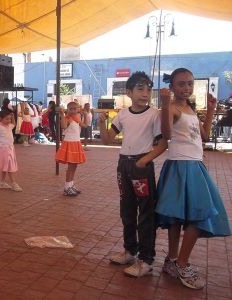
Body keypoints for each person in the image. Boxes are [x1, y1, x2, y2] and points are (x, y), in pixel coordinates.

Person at [154, 68, 231, 289]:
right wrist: (166, 104)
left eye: (189, 83)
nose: (186, 88)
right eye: (181, 84)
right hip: (181, 165)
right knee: (194, 215)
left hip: (195, 165)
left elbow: (205, 135)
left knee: (184, 216)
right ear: (171, 87)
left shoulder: (189, 107)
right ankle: (179, 261)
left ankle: (174, 260)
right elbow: (166, 135)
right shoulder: (171, 107)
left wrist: (212, 109)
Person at [99, 71, 163, 277]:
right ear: (129, 92)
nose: (146, 93)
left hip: (141, 165)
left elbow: (163, 143)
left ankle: (146, 259)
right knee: (126, 210)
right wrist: (102, 123)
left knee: (145, 213)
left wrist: (145, 160)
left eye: (149, 89)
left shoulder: (155, 114)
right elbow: (108, 140)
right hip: (123, 165)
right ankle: (130, 251)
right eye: (140, 88)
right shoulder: (123, 115)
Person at [55, 101, 88, 197]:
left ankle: (70, 184)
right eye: (71, 109)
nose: (73, 110)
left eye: (75, 108)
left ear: (78, 109)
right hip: (69, 144)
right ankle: (67, 187)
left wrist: (85, 114)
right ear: (68, 110)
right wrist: (62, 114)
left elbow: (85, 125)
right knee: (70, 167)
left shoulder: (77, 118)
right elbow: (64, 126)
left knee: (74, 166)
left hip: (76, 143)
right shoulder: (68, 118)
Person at [0, 110, 22, 192]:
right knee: (9, 166)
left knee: (6, 166)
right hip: (4, 149)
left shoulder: (9, 126)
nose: (9, 120)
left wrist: (13, 117)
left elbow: (14, 124)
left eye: (9, 119)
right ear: (1, 119)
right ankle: (13, 183)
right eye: (7, 119)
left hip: (10, 148)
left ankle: (2, 182)